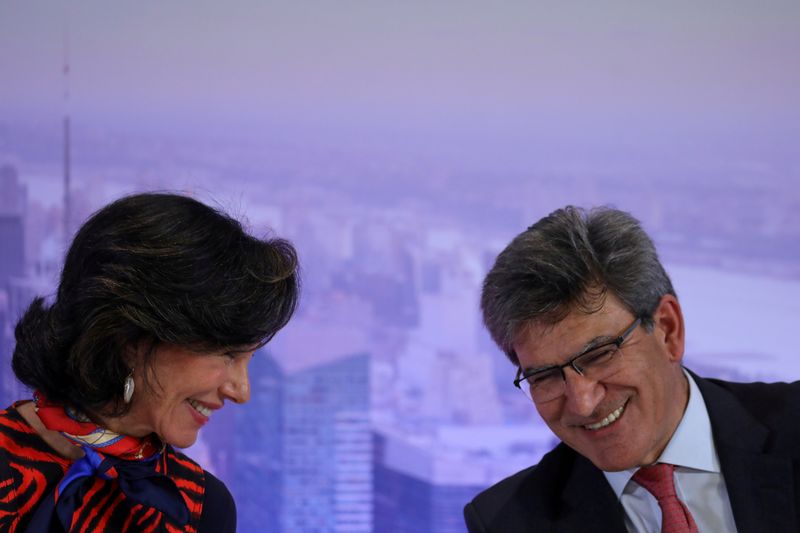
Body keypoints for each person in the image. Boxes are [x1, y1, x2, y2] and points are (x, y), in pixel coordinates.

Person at [464, 206, 800, 533]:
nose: (583, 403)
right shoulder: (508, 522)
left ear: (668, 329)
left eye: (599, 355)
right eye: (545, 376)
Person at [0, 193, 299, 532]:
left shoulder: (201, 506)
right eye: (228, 353)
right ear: (131, 338)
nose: (241, 391)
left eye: (249, 358)